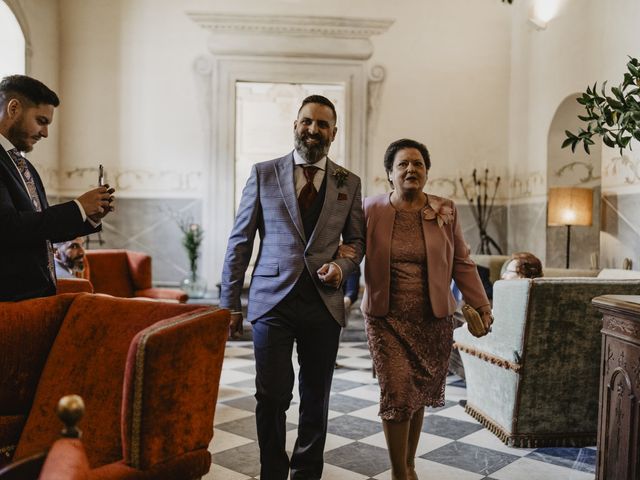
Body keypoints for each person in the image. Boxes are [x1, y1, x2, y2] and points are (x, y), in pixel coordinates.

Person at [220, 95, 365, 479]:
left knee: (315, 399)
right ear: (295, 125)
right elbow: (240, 241)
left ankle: (306, 474)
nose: (313, 130)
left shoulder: (348, 182)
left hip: (324, 302)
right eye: (307, 121)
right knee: (272, 395)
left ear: (334, 132)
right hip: (272, 302)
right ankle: (272, 471)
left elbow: (356, 242)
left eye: (322, 124)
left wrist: (342, 265)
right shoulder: (264, 173)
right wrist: (230, 303)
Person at [360, 138, 492, 480]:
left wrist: (481, 304)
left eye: (418, 164)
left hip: (431, 320)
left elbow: (461, 261)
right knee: (397, 390)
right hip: (384, 318)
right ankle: (398, 473)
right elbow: (351, 250)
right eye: (402, 164)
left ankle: (410, 463)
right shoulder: (370, 209)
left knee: (416, 393)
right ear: (389, 173)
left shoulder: (444, 210)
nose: (410, 169)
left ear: (427, 172)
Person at [0, 75, 115, 301]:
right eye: (41, 121)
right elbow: (7, 227)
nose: (45, 133)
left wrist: (88, 215)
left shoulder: (24, 166)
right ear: (13, 108)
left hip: (35, 301)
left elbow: (39, 228)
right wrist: (77, 207)